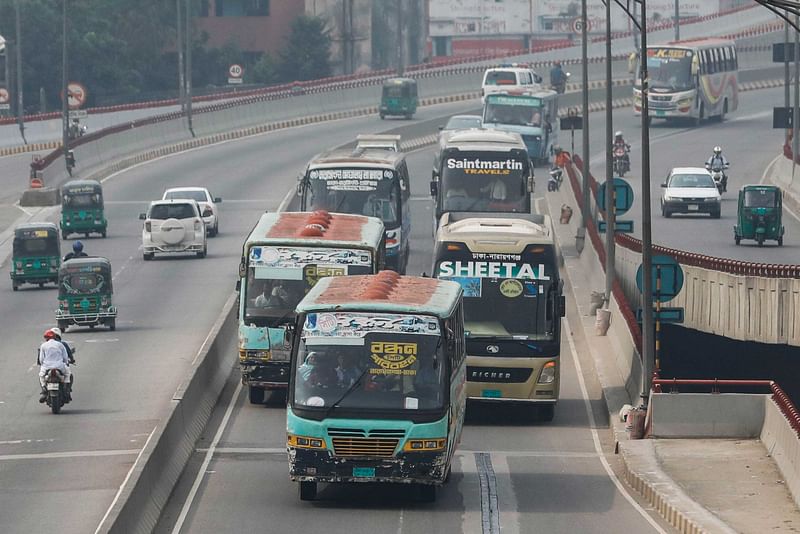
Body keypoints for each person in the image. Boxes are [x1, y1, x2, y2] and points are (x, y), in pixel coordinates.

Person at [37, 329, 71, 403]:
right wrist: (65, 362)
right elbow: (65, 357)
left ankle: (44, 390)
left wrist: (44, 364)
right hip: (59, 366)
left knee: (41, 376)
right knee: (67, 374)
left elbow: (41, 360)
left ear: (46, 338)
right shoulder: (60, 344)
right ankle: (66, 388)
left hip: (47, 367)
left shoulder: (43, 345)